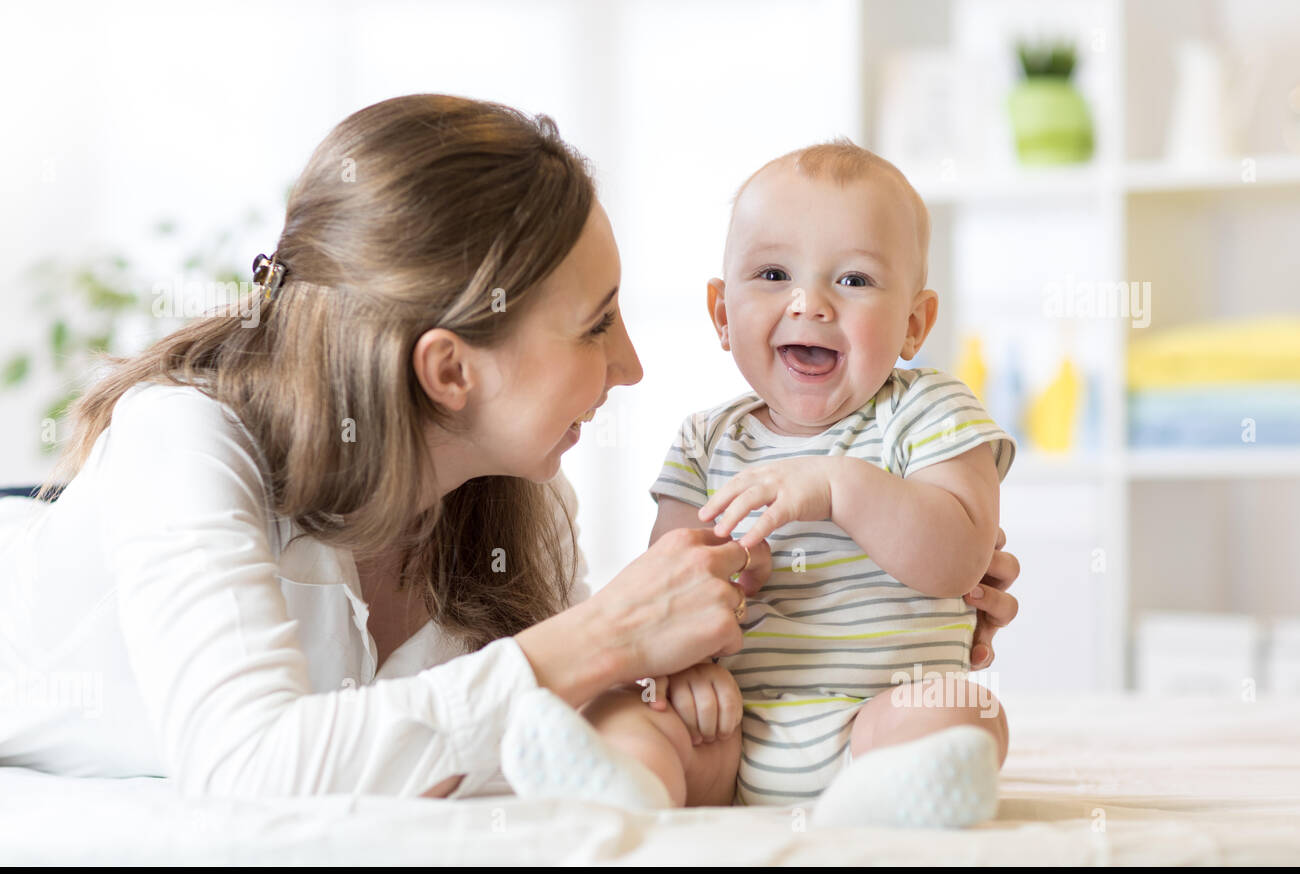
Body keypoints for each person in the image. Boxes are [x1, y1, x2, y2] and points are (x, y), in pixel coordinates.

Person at [0, 95, 1021, 804]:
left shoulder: (493, 504)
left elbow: (506, 724)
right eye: (595, 324)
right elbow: (250, 764)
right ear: (450, 371)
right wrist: (610, 642)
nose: (630, 366)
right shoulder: (180, 439)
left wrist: (879, 597)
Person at [500, 140, 1018, 828]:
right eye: (773, 273)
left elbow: (962, 558)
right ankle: (626, 785)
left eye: (855, 281)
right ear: (721, 313)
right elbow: (669, 584)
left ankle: (890, 796)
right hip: (731, 727)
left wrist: (839, 487)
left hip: (884, 711)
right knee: (628, 710)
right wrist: (685, 664)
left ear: (915, 323)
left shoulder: (929, 413)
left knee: (966, 711)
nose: (810, 304)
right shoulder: (705, 441)